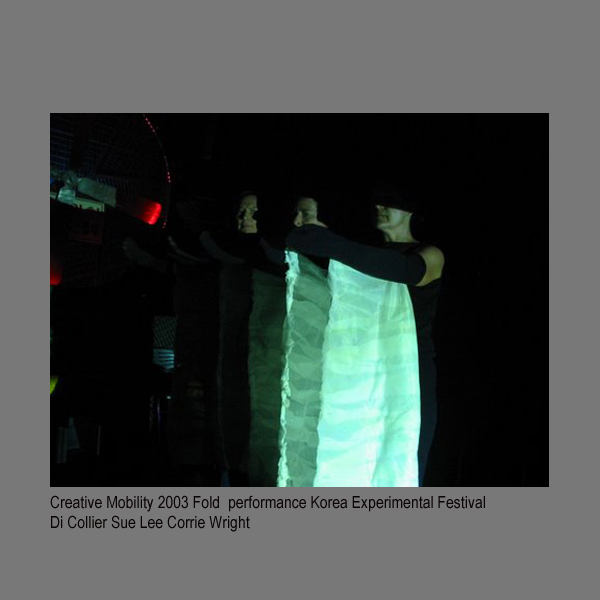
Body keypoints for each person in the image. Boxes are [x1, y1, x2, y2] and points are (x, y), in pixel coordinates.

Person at [285, 186, 444, 486]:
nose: (380, 207)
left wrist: (329, 242)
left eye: (390, 202)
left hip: (410, 375)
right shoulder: (363, 255)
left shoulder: (428, 253)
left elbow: (407, 270)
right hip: (362, 375)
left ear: (411, 211)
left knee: (399, 463)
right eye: (378, 202)